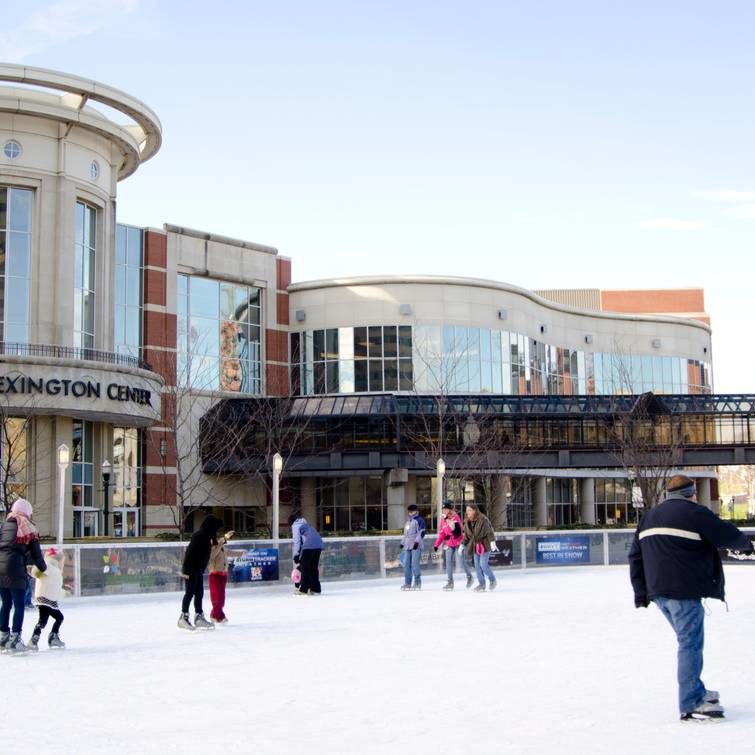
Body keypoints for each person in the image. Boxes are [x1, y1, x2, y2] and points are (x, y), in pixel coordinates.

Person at [629, 474, 755, 721]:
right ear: (691, 493)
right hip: (683, 591)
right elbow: (728, 535)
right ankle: (691, 701)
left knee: (688, 642)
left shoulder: (649, 517)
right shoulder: (695, 513)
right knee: (690, 644)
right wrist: (748, 544)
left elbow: (635, 556)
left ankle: (695, 690)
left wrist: (642, 593)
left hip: (659, 593)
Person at [0, 498, 47, 653]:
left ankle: (3, 636)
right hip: (15, 570)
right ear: (27, 512)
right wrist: (43, 568)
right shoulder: (29, 527)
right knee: (19, 605)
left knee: (6, 604)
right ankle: (15, 638)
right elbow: (36, 553)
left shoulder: (4, 525)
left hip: (0, 568)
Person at [177, 514, 223, 630]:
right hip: (191, 570)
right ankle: (183, 617)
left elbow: (210, 555)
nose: (216, 531)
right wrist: (186, 571)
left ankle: (199, 616)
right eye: (215, 528)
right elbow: (189, 554)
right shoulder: (199, 536)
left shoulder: (207, 537)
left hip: (198, 571)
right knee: (189, 593)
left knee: (199, 593)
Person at [29, 547, 66, 650]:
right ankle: (33, 639)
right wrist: (36, 570)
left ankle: (53, 637)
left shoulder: (55, 569)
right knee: (42, 621)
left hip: (51, 600)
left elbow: (56, 585)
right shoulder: (47, 566)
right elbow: (36, 573)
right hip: (44, 599)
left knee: (59, 617)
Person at [463, 504, 498, 592]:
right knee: (477, 566)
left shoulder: (483, 519)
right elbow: (466, 536)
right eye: (467, 510)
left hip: (485, 545)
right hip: (475, 546)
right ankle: (481, 584)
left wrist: (492, 542)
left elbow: (489, 532)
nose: (468, 512)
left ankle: (493, 580)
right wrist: (462, 544)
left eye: (470, 510)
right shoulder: (467, 522)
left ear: (475, 511)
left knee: (483, 565)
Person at [433, 502, 467, 590]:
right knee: (448, 563)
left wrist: (450, 534)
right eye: (443, 509)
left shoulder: (455, 517)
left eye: (446, 509)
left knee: (462, 561)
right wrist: (437, 544)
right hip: (449, 544)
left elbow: (458, 531)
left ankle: (469, 576)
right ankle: (450, 582)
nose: (444, 510)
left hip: (458, 542)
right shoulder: (442, 519)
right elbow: (442, 533)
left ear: (450, 509)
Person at [289, 512, 323, 595]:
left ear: (291, 522)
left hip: (309, 545)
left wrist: (296, 555)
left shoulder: (296, 526)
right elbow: (304, 540)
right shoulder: (307, 524)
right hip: (319, 544)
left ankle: (304, 589)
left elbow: (297, 542)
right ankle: (316, 589)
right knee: (313, 568)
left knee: (305, 567)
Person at [208, 528, 234, 624]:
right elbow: (212, 555)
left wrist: (242, 553)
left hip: (223, 575)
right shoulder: (212, 548)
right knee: (217, 598)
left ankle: (218, 615)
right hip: (215, 575)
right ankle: (215, 615)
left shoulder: (221, 547)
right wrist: (224, 539)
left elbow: (230, 552)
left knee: (221, 598)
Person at [400, 503, 426, 591]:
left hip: (416, 546)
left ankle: (417, 582)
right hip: (407, 546)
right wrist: (402, 543)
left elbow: (421, 532)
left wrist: (417, 542)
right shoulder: (407, 522)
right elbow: (405, 534)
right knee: (406, 564)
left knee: (415, 565)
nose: (411, 513)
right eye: (410, 511)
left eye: (413, 511)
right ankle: (408, 583)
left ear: (416, 511)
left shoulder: (419, 520)